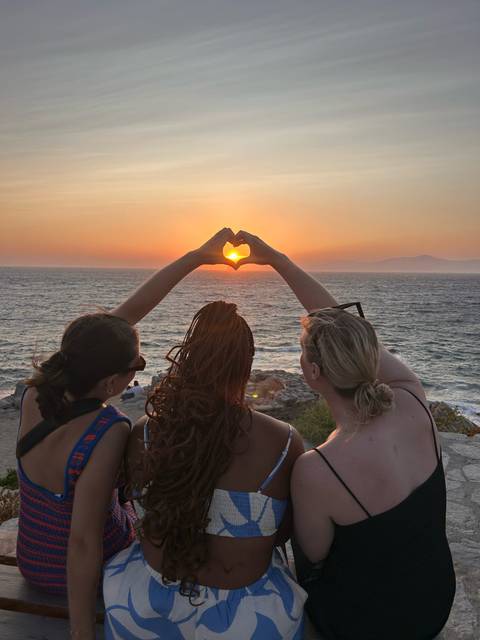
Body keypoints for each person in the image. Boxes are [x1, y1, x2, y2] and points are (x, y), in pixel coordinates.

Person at [232, 231, 456, 639]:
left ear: (313, 373)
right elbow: (344, 325)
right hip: (435, 601)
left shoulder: (319, 469)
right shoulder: (411, 397)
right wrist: (279, 260)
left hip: (367, 625)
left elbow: (313, 560)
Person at [16, 229, 238, 640]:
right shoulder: (108, 429)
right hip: (86, 569)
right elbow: (83, 541)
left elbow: (108, 329)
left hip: (33, 559)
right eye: (136, 365)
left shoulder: (35, 394)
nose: (138, 368)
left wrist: (196, 256)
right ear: (110, 382)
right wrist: (82, 633)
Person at [103, 301, 307, 639]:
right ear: (245, 367)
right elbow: (282, 533)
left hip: (144, 605)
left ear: (189, 360)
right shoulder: (283, 441)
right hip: (245, 619)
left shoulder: (145, 431)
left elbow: (137, 508)